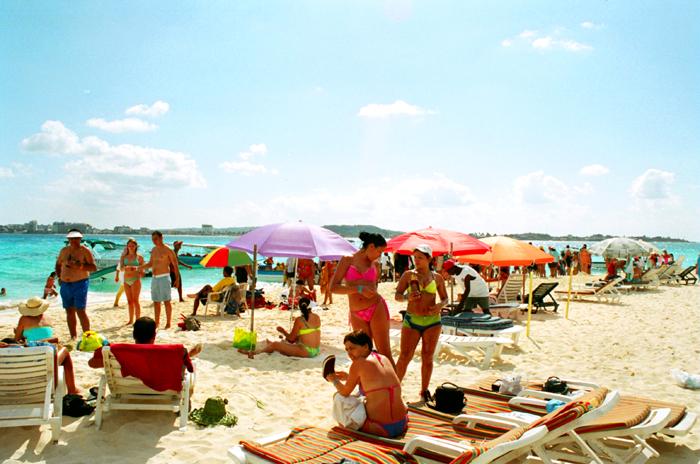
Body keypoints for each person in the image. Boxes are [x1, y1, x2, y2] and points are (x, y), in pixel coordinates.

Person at [326, 330, 408, 438]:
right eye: (347, 350)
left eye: (352, 348)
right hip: (402, 423)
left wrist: (334, 380)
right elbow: (378, 384)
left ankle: (344, 428)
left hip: (380, 428)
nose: (349, 354)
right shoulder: (384, 358)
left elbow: (345, 392)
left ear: (365, 346)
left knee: (339, 397)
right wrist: (349, 377)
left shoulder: (358, 363)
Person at [331, 232, 394, 367]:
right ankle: (368, 381)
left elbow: (373, 287)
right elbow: (333, 287)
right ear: (371, 246)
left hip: (376, 307)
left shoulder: (375, 264)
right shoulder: (348, 259)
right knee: (362, 354)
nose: (380, 255)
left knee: (384, 353)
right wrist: (359, 289)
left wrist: (365, 290)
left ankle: (393, 380)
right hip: (356, 313)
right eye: (379, 251)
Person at [395, 245, 448, 401]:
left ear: (429, 259)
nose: (416, 261)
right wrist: (407, 297)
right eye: (415, 257)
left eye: (420, 258)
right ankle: (395, 389)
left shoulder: (437, 277)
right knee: (405, 356)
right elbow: (397, 295)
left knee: (427, 357)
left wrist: (440, 305)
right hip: (412, 319)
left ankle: (424, 390)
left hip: (433, 321)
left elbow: (445, 298)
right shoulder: (408, 275)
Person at [10, 296, 80, 394]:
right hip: (48, 359)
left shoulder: (23, 319)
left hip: (31, 359)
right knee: (65, 352)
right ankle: (72, 389)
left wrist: (19, 333)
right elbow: (43, 334)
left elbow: (16, 340)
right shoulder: (47, 318)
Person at [88, 316, 201, 369]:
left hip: (128, 391)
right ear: (154, 336)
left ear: (133, 335)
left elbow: (92, 363)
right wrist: (189, 354)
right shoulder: (164, 353)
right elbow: (180, 362)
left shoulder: (120, 353)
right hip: (159, 394)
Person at [240, 297, 321, 357]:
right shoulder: (317, 317)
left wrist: (282, 331)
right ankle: (273, 346)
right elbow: (308, 332)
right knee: (295, 338)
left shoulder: (299, 320)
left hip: (306, 351)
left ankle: (256, 352)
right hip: (316, 350)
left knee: (275, 345)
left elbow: (291, 338)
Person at [55, 229, 97, 339]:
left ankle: (87, 336)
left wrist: (79, 266)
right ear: (68, 239)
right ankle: (73, 336)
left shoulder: (85, 251)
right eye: (71, 238)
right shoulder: (64, 250)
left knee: (80, 310)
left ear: (80, 238)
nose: (74, 240)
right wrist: (59, 277)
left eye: (76, 238)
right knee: (69, 310)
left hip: (80, 283)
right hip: (65, 284)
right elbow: (58, 264)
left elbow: (93, 267)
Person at [139, 231, 180, 329]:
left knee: (166, 301)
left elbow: (175, 265)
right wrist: (139, 267)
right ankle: (157, 323)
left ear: (161, 238)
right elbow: (150, 263)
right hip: (154, 278)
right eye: (152, 239)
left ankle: (168, 322)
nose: (154, 241)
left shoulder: (168, 250)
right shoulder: (154, 250)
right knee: (156, 301)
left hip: (164, 277)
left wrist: (177, 279)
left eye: (156, 239)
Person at [119, 238, 144, 325]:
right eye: (129, 245)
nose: (131, 247)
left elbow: (142, 271)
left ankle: (138, 320)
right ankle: (130, 320)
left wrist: (135, 268)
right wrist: (126, 267)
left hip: (135, 280)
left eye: (132, 246)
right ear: (127, 246)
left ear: (136, 246)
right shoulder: (123, 257)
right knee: (129, 301)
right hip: (126, 280)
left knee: (135, 301)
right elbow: (121, 269)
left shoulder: (139, 257)